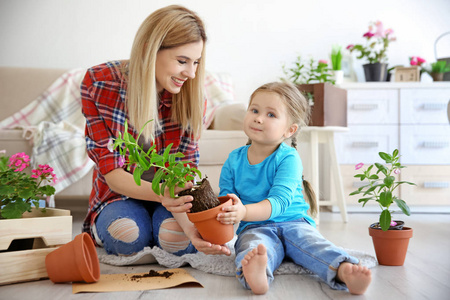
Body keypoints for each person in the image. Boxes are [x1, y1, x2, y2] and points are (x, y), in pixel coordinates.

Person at [81, 5, 230, 258]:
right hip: (119, 195)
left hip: (173, 199)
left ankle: (159, 229)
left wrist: (191, 229)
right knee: (127, 238)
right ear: (150, 48)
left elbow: (183, 175)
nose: (191, 73)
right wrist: (164, 193)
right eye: (182, 61)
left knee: (178, 243)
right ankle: (105, 227)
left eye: (196, 62)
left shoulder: (192, 98)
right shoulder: (100, 84)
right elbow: (113, 173)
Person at [217, 82, 372, 295]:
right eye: (254, 110)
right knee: (255, 247)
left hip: (294, 222)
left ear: (289, 130)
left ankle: (344, 270)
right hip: (254, 227)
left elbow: (279, 202)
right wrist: (228, 212)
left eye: (271, 115)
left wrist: (244, 211)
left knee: (313, 244)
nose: (259, 118)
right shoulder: (233, 160)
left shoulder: (288, 158)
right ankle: (256, 274)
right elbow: (226, 199)